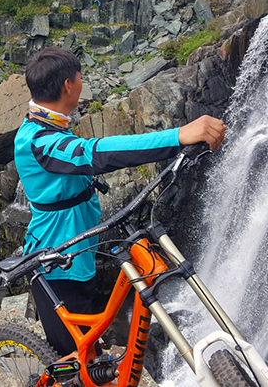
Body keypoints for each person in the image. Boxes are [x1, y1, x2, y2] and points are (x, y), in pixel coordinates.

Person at [14, 46, 226, 356]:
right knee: (75, 360)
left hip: (77, 253)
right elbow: (94, 154)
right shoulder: (37, 141)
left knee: (90, 349)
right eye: (80, 77)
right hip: (56, 265)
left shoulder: (48, 121)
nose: (81, 82)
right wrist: (178, 136)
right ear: (68, 86)